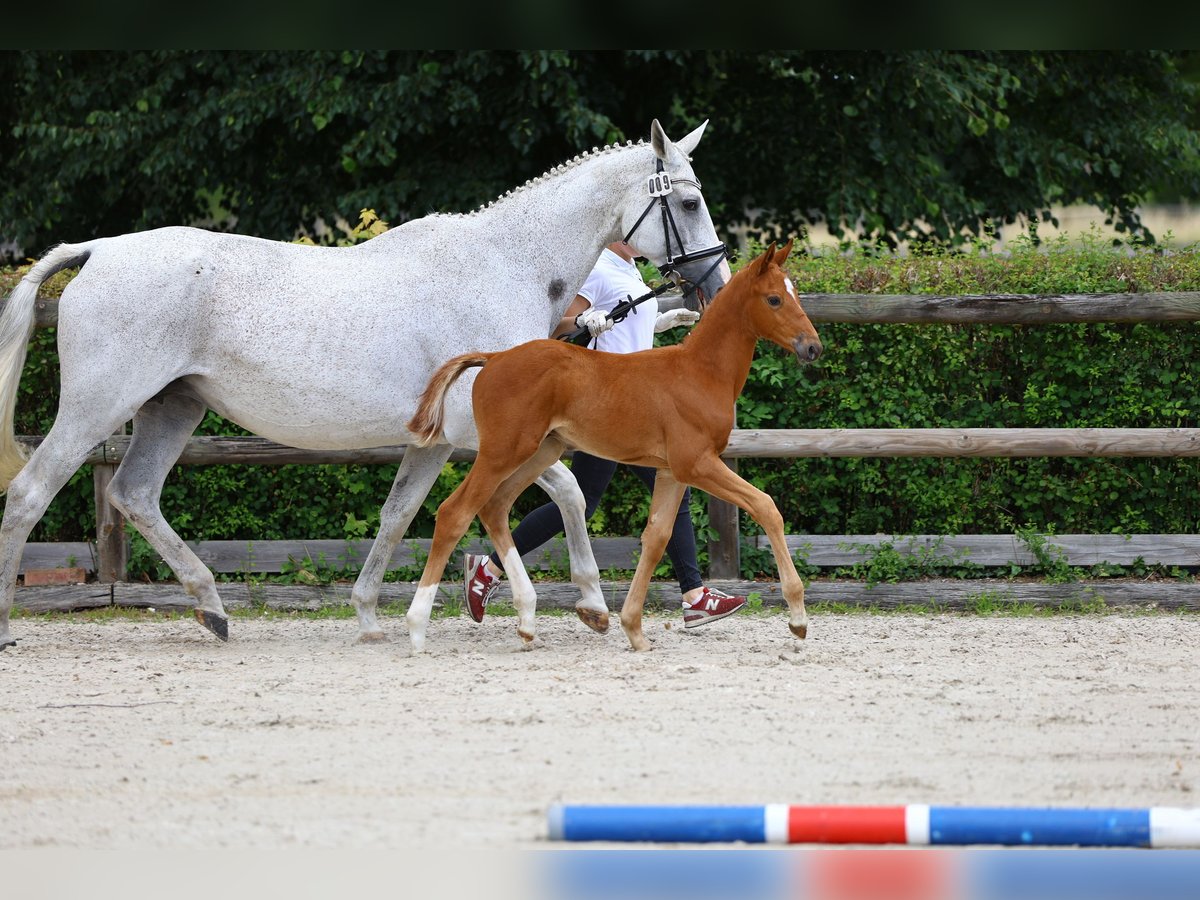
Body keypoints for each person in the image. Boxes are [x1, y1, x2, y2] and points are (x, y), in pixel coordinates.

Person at [463, 240, 747, 628]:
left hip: (641, 400)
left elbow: (627, 328)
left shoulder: (631, 269)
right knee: (599, 498)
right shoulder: (598, 269)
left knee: (606, 497)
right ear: (617, 236)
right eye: (633, 235)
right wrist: (583, 322)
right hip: (607, 401)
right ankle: (694, 595)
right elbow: (559, 323)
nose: (644, 241)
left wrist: (661, 322)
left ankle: (693, 595)